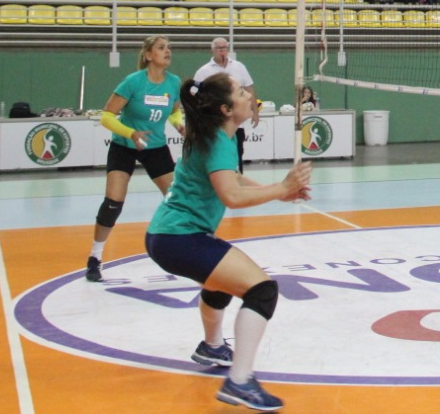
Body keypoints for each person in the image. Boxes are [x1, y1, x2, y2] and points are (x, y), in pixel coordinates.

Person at [144, 72, 311, 412]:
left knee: (221, 282)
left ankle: (212, 346)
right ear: (225, 108)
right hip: (179, 237)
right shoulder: (218, 140)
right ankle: (239, 382)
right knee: (262, 290)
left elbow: (231, 178)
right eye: (240, 93)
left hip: (166, 236)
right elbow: (231, 196)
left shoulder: (213, 135)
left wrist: (277, 193)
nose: (249, 96)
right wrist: (281, 189)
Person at [85, 35, 182, 282]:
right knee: (113, 203)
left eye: (169, 47)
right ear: (149, 55)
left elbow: (173, 113)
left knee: (176, 199)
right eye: (161, 47)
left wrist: (180, 125)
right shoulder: (133, 82)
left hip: (155, 146)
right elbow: (107, 116)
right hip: (125, 145)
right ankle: (95, 257)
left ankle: (183, 249)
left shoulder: (173, 82)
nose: (167, 51)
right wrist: (130, 133)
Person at [193, 38, 259, 173]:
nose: (222, 51)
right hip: (214, 122)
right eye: (219, 48)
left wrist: (255, 112)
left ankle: (237, 176)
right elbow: (194, 95)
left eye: (224, 48)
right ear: (212, 50)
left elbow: (249, 89)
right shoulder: (203, 71)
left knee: (237, 150)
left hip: (236, 122)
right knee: (216, 151)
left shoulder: (239, 67)